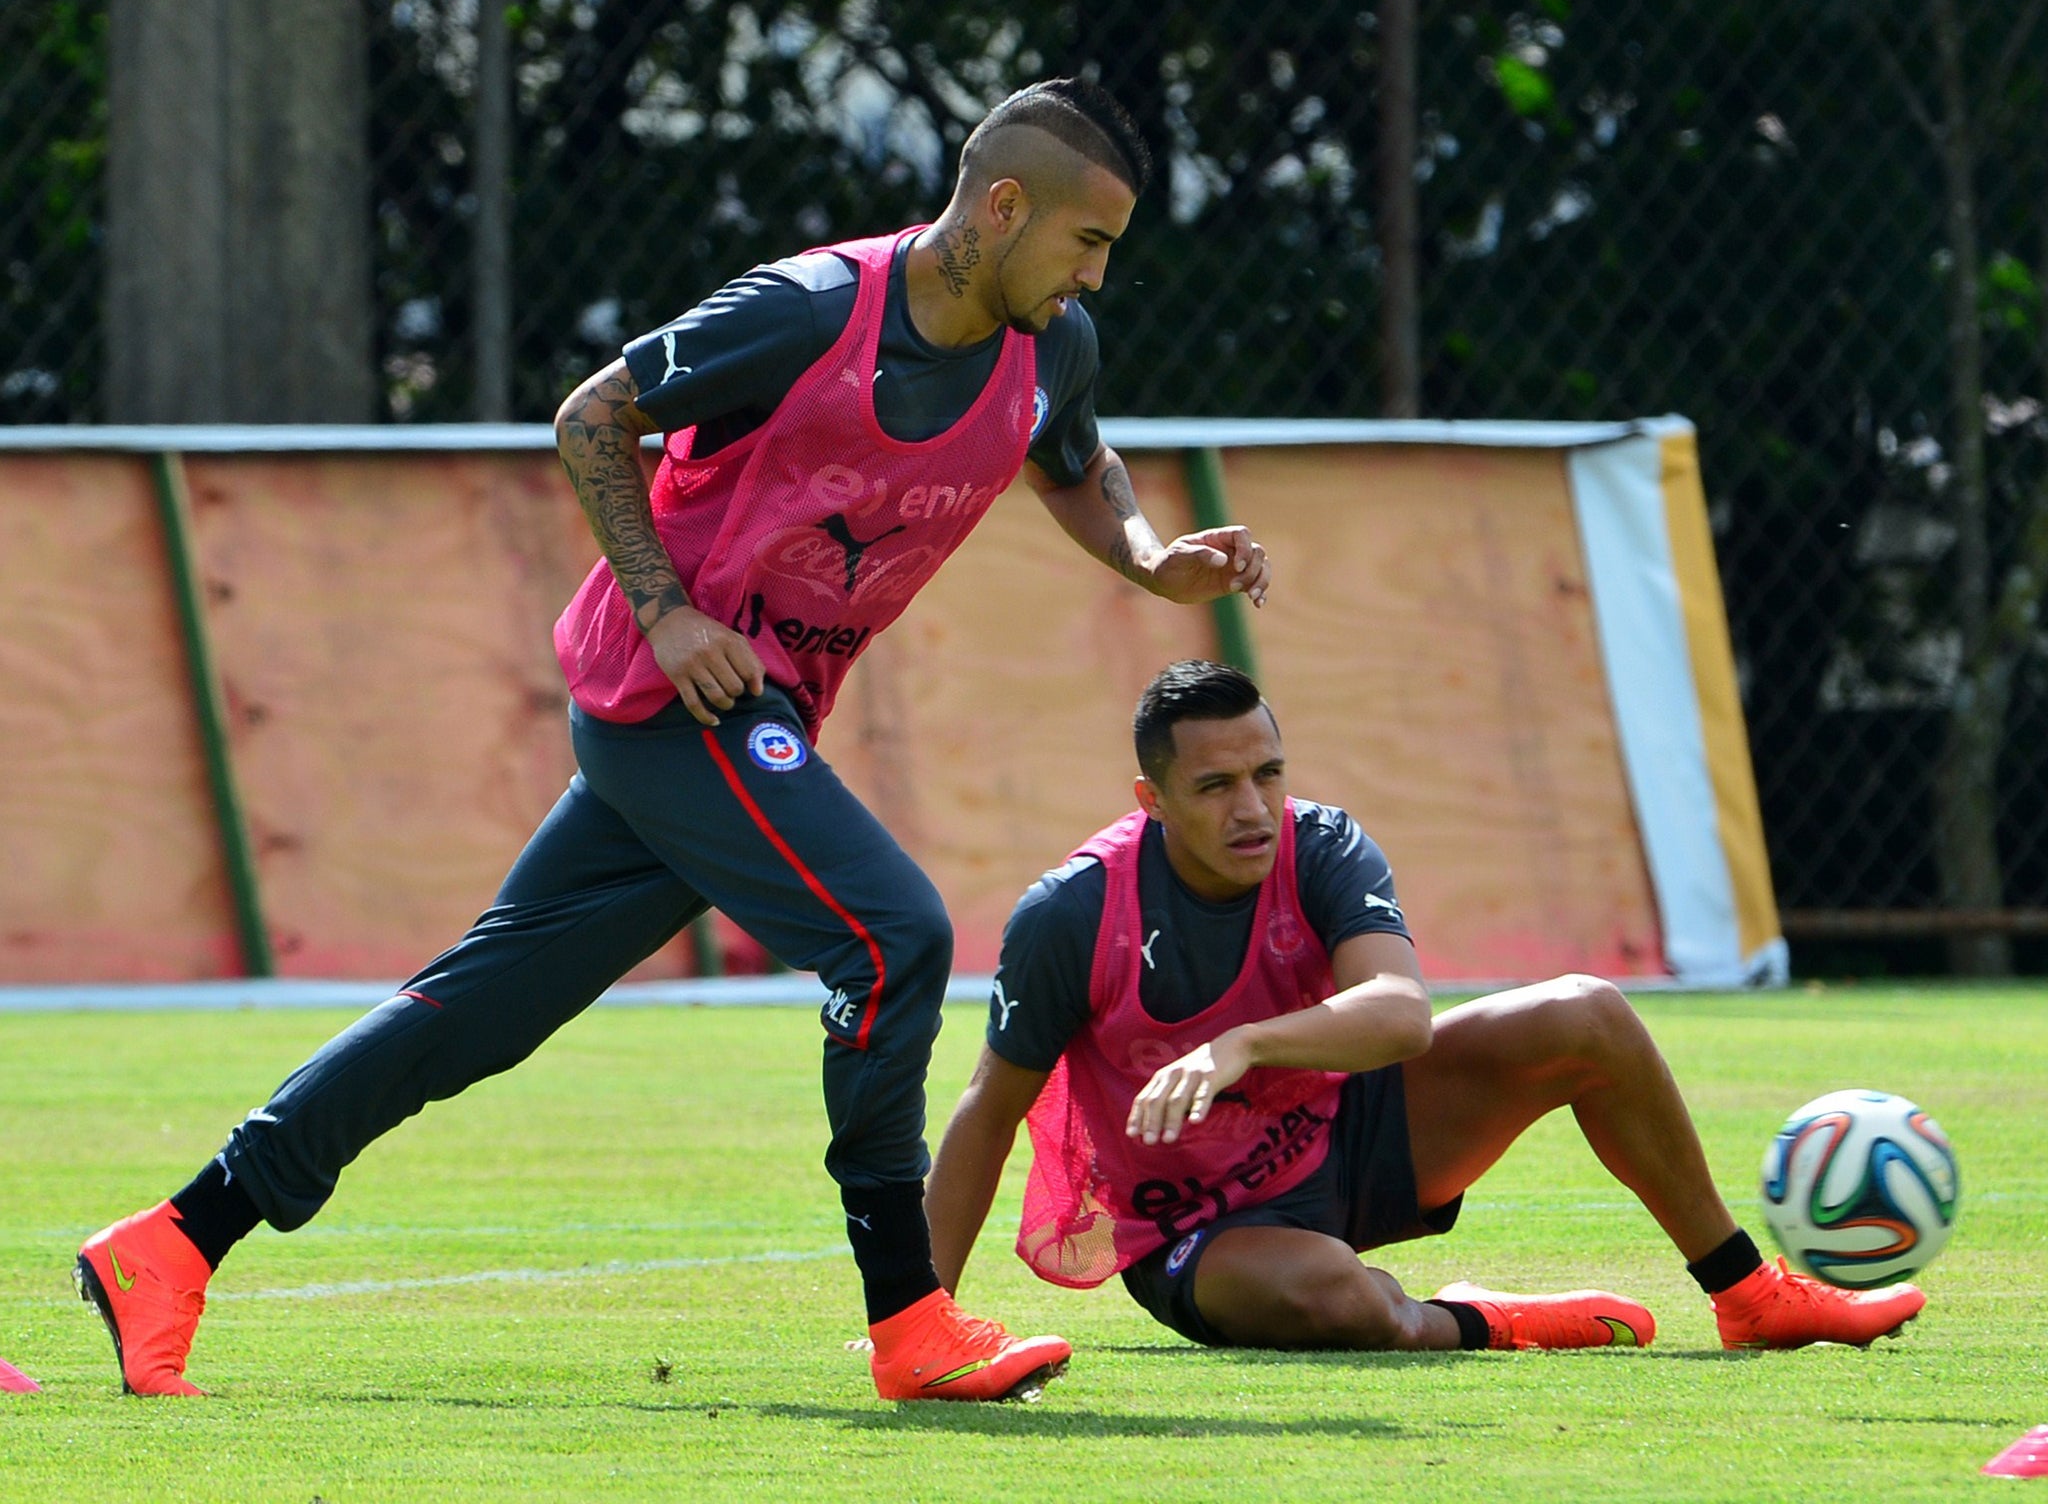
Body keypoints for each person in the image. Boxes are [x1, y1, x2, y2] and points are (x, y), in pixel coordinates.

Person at [74, 79, 1272, 1404]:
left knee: (476, 1013)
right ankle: (908, 1319)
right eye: (1087, 242)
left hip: (746, 718)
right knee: (896, 938)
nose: (1096, 273)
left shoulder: (1055, 343)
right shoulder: (811, 310)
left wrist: (1153, 558)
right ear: (1000, 207)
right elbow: (594, 415)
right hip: (676, 702)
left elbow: (1073, 460)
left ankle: (172, 1242)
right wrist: (667, 609)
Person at [925, 660, 1927, 1354]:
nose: (1251, 808)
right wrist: (921, 1314)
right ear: (1149, 800)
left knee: (1587, 1014)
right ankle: (1480, 1321)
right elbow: (987, 1107)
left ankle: (1747, 1296)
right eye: (1215, 785)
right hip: (1197, 1227)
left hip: (1345, 1135)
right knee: (1342, 1305)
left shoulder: (1318, 845)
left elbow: (1401, 1014)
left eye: (1267, 774)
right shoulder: (1070, 913)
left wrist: (1241, 1044)